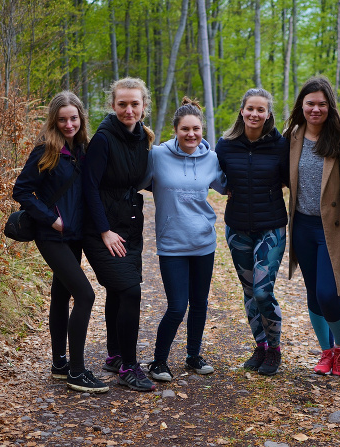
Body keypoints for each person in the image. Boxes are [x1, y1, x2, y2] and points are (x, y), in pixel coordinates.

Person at [13, 91, 108, 393]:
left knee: (60, 295)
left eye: (74, 118)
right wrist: (51, 218)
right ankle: (76, 373)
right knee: (86, 295)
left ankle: (59, 364)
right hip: (51, 235)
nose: (69, 124)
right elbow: (22, 191)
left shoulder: (84, 149)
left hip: (75, 236)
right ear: (54, 120)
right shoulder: (46, 150)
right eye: (63, 119)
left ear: (81, 118)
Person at [140, 98, 226, 382]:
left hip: (203, 242)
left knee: (199, 303)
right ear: (175, 130)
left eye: (196, 129)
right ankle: (159, 361)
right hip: (172, 244)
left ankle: (193, 356)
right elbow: (134, 180)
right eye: (185, 129)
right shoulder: (157, 155)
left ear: (203, 130)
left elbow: (229, 186)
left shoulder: (212, 159)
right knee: (178, 305)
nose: (191, 134)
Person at [82, 77, 156, 392]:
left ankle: (114, 355)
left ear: (144, 107)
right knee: (130, 292)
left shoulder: (142, 138)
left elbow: (141, 179)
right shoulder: (103, 139)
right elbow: (89, 188)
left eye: (134, 104)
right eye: (122, 104)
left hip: (129, 227)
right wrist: (104, 231)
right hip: (101, 230)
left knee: (118, 291)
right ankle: (128, 364)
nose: (128, 109)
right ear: (113, 106)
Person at [284, 77, 340, 377]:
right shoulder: (291, 137)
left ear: (330, 107)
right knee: (313, 294)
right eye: (310, 103)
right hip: (301, 225)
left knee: (329, 293)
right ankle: (326, 352)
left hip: (333, 228)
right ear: (301, 106)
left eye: (322, 104)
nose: (316, 109)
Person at [215, 88, 289, 376]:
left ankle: (275, 348)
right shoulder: (225, 145)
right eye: (250, 109)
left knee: (262, 290)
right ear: (242, 111)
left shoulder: (280, 145)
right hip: (237, 229)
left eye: (261, 109)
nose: (255, 114)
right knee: (248, 291)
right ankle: (260, 346)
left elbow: (289, 178)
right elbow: (213, 175)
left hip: (270, 227)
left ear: (268, 114)